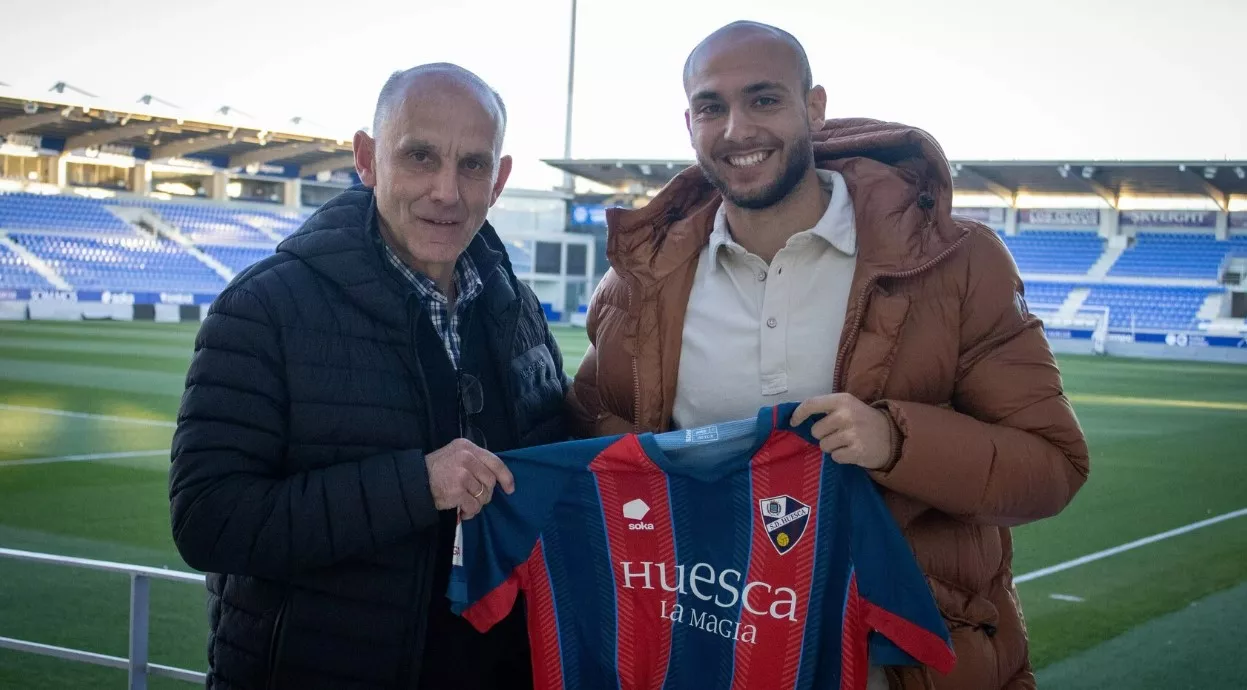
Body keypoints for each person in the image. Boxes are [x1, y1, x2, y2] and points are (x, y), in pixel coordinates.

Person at [567, 21, 1090, 690]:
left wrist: (894, 441)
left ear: (813, 108)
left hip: (898, 666)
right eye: (711, 107)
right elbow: (590, 440)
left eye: (763, 100)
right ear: (688, 122)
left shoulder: (953, 262)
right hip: (708, 653)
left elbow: (1051, 465)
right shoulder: (638, 285)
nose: (736, 130)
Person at [169, 63, 570, 690]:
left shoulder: (514, 306)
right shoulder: (264, 309)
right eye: (419, 156)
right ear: (366, 158)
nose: (446, 190)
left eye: (472, 165)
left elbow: (557, 465)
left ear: (500, 181)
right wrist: (417, 484)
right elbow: (209, 520)